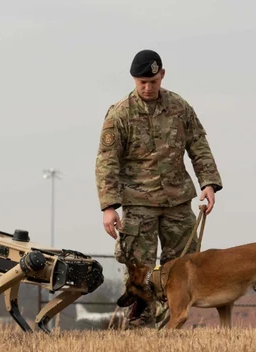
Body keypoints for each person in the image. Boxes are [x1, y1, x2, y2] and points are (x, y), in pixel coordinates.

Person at [94, 49, 223, 329]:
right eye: (142, 82)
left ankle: (173, 321)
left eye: (152, 81)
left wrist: (209, 183)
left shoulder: (179, 107)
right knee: (139, 268)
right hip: (138, 203)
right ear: (133, 79)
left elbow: (198, 145)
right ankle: (141, 324)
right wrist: (109, 206)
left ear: (162, 75)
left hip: (177, 200)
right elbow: (107, 162)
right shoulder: (120, 114)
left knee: (183, 266)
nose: (147, 87)